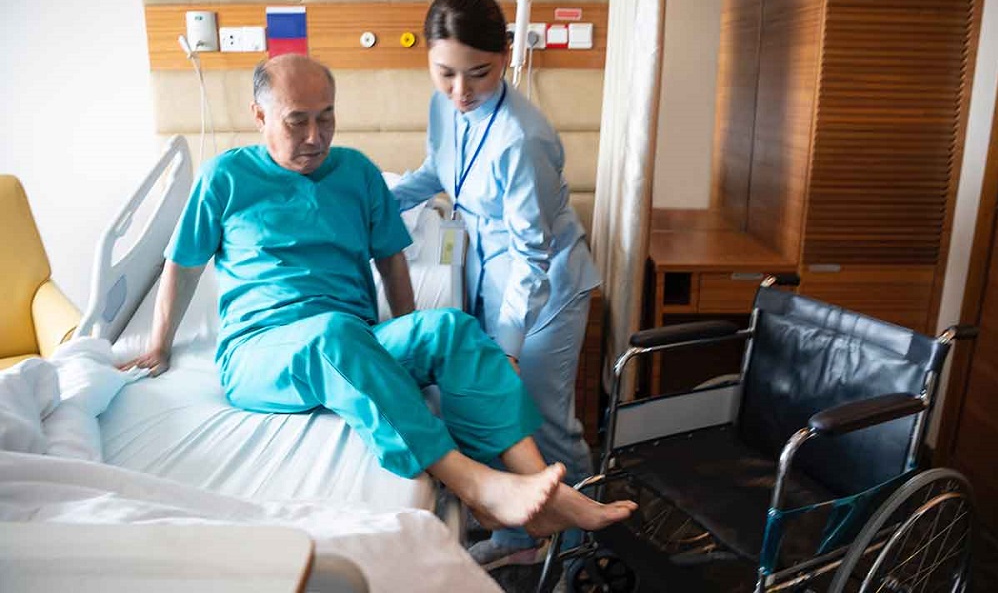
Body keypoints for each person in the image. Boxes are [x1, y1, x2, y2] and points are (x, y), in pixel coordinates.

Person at [124, 53, 634, 539]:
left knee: (451, 328)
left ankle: (542, 489)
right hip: (262, 352)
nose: (315, 137)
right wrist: (159, 344)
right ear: (259, 115)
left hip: (356, 339)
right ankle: (474, 484)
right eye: (297, 121)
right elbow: (182, 265)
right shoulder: (225, 178)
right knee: (332, 333)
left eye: (326, 118)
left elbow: (392, 258)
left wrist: (408, 329)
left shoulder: (357, 172)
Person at [392, 0, 603, 568]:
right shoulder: (444, 108)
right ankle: (519, 540)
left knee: (546, 423)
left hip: (547, 287)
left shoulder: (522, 137)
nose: (461, 91)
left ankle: (581, 551)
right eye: (446, 74)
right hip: (489, 272)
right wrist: (374, 201)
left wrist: (508, 346)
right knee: (494, 412)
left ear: (506, 56)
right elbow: (438, 172)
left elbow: (534, 254)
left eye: (479, 74)